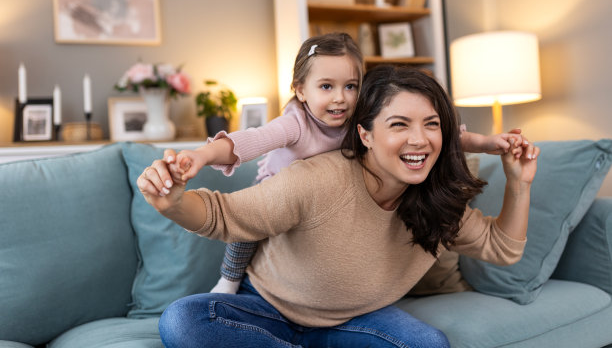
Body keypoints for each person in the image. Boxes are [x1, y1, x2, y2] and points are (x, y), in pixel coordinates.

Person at [137, 65, 539, 347]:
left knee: (428, 345)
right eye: (399, 124)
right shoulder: (317, 178)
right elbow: (225, 216)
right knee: (183, 321)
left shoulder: (437, 199)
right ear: (364, 134)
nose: (420, 139)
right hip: (267, 310)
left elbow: (503, 248)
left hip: (358, 321)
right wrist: (172, 203)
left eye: (431, 124)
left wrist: (519, 184)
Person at [164, 33, 529, 296]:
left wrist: (493, 148)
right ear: (300, 90)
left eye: (350, 86)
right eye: (326, 87)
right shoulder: (296, 126)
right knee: (245, 237)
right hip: (281, 189)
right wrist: (200, 156)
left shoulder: (369, 127)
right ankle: (228, 280)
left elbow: (453, 136)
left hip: (356, 302)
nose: (340, 98)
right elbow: (249, 142)